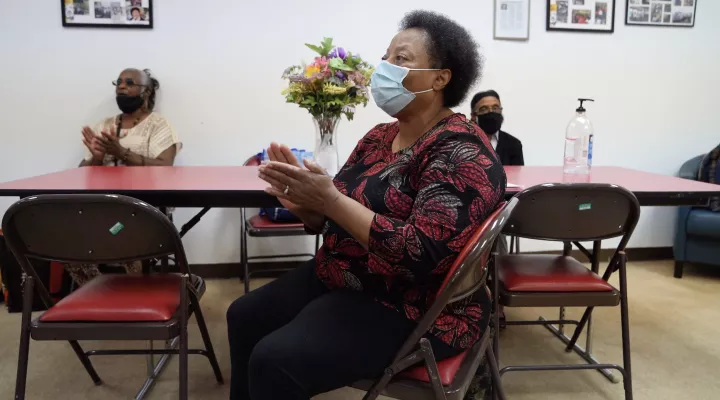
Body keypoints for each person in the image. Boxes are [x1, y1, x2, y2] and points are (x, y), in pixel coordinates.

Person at [226, 10, 506, 400]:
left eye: (401, 59)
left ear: (441, 78)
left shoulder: (462, 150)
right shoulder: (379, 136)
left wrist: (330, 200)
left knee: (275, 360)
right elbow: (337, 213)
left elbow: (422, 254)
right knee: (243, 315)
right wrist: (307, 204)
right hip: (347, 272)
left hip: (413, 302)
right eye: (385, 57)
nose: (384, 68)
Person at [68, 68, 181, 286]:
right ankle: (97, 291)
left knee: (120, 231)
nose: (121, 86)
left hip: (141, 209)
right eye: (118, 82)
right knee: (66, 236)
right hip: (100, 206)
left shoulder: (159, 126)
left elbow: (165, 167)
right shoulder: (104, 125)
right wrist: (97, 158)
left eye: (129, 83)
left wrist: (122, 153)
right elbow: (81, 174)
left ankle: (131, 293)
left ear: (146, 92)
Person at [470, 90, 524, 166]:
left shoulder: (514, 144)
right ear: (473, 116)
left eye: (495, 108)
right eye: (484, 109)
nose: (491, 112)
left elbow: (518, 176)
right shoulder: (462, 143)